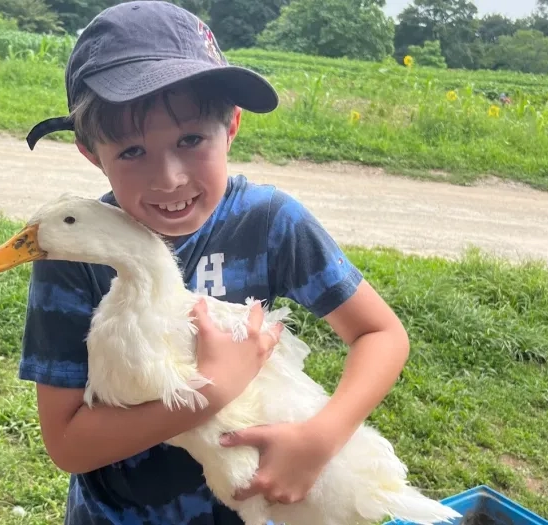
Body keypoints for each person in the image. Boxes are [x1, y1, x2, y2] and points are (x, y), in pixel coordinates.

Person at [21, 1, 410, 524]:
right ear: (92, 152)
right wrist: (212, 391)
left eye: (191, 140)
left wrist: (319, 439)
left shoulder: (271, 222)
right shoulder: (76, 249)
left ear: (231, 127)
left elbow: (380, 334)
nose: (170, 179)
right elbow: (68, 444)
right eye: (132, 151)